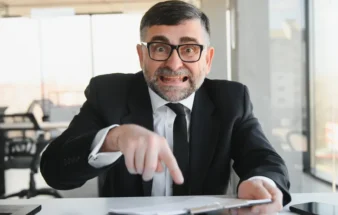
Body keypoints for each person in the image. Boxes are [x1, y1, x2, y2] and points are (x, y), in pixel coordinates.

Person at [40, 0, 291, 214]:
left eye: (189, 49)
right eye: (160, 48)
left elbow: (263, 158)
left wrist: (260, 183)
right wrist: (112, 139)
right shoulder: (108, 94)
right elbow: (54, 170)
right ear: (141, 56)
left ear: (208, 59)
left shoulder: (231, 99)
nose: (173, 63)